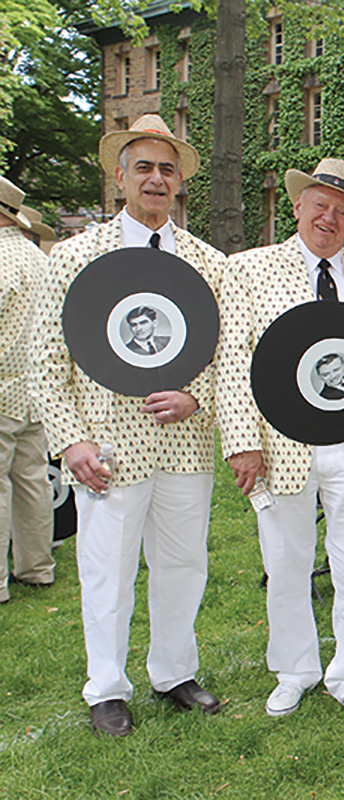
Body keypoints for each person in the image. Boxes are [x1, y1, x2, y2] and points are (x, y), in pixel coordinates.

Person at [31, 114, 225, 736]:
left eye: (167, 169)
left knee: (183, 564)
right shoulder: (75, 257)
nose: (156, 179)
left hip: (185, 445)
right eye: (143, 167)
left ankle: (174, 671)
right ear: (119, 176)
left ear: (179, 182)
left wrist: (198, 398)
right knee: (107, 568)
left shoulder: (207, 263)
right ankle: (107, 686)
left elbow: (230, 352)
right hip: (106, 446)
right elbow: (45, 359)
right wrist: (70, 440)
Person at [217, 158, 344, 725]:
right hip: (280, 445)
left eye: (343, 211)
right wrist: (243, 443)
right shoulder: (248, 270)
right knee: (287, 563)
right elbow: (232, 362)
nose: (330, 217)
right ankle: (294, 670)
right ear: (296, 207)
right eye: (320, 205)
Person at [0, 177, 54, 606]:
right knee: (32, 479)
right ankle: (37, 567)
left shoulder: (2, 258)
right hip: (35, 389)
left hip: (3, 386)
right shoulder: (38, 257)